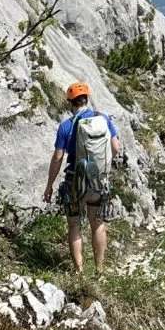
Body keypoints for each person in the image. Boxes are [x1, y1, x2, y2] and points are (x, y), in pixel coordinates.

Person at [42, 81, 122, 275]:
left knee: (74, 224)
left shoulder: (66, 126)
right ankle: (99, 270)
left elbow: (58, 157)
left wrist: (49, 185)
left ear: (71, 103)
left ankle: (79, 272)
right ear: (87, 99)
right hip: (97, 182)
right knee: (97, 224)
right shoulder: (102, 119)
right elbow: (116, 147)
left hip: (74, 182)